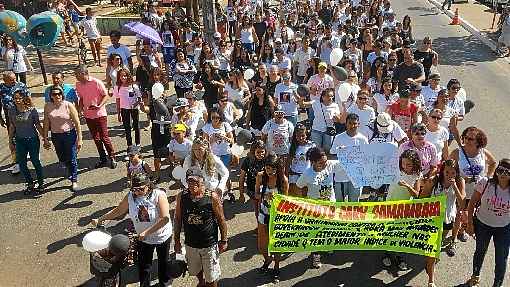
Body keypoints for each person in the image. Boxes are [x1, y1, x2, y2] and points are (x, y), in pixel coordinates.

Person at [91, 173, 172, 287]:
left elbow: (165, 218)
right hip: (143, 239)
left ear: (148, 185)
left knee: (163, 262)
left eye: (141, 189)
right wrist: (101, 219)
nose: (137, 192)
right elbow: (118, 210)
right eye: (134, 189)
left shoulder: (158, 195)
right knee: (144, 265)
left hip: (161, 237)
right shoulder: (130, 196)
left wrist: (146, 232)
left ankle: (164, 283)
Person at [174, 169, 228, 287]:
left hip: (209, 245)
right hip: (190, 244)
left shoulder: (212, 197)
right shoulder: (181, 196)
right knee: (195, 270)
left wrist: (224, 240)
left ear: (202, 181)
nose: (192, 185)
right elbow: (177, 219)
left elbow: (221, 219)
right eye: (189, 181)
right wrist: (177, 241)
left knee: (211, 277)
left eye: (195, 181)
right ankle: (201, 282)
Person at [460, 159, 510, 287]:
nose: (503, 174)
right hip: (483, 225)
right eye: (500, 170)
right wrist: (470, 223)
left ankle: (497, 284)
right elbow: (471, 203)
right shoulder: (485, 183)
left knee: (501, 258)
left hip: (504, 229)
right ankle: (475, 276)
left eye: (507, 172)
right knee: (480, 251)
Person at [420, 159, 465, 286]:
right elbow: (422, 197)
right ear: (442, 171)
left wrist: (454, 186)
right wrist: (427, 185)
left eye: (453, 173)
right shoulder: (435, 180)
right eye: (447, 172)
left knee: (438, 244)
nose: (449, 175)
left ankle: (431, 261)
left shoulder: (460, 182)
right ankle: (431, 281)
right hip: (433, 219)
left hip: (448, 218)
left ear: (457, 173)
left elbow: (462, 204)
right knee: (433, 250)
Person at [449, 127, 497, 243]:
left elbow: (493, 163)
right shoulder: (457, 153)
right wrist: (459, 178)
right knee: (459, 213)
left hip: (477, 190)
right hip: (461, 189)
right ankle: (453, 239)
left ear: (478, 140)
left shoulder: (482, 152)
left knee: (471, 212)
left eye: (470, 138)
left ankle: (462, 231)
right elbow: (448, 169)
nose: (466, 140)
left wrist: (487, 177)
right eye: (465, 137)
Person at [295, 147, 339, 268]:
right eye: (321, 163)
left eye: (325, 162)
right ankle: (316, 256)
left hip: (330, 205)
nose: (324, 165)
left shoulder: (329, 165)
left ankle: (327, 246)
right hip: (315, 209)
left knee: (329, 228)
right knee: (315, 232)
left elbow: (346, 163)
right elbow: (298, 186)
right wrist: (302, 203)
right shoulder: (307, 173)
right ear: (313, 162)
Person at [383, 149, 422, 270]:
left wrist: (407, 185)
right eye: (403, 163)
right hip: (390, 204)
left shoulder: (417, 175)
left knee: (400, 232)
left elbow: (416, 194)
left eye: (409, 164)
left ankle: (399, 256)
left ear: (415, 164)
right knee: (389, 230)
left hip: (404, 208)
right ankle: (388, 254)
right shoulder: (397, 170)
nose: (405, 167)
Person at [75, 65, 117, 169]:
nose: (76, 77)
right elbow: (81, 98)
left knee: (104, 137)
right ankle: (103, 159)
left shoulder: (96, 82)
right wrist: (80, 110)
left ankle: (112, 157)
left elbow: (106, 95)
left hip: (100, 114)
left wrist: (99, 105)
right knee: (96, 138)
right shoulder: (78, 85)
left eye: (77, 74)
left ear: (83, 73)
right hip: (88, 115)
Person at [255, 153, 288, 283]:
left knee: (276, 243)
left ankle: (276, 267)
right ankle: (268, 260)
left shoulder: (283, 180)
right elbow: (256, 194)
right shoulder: (260, 176)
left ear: (278, 168)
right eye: (267, 168)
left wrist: (276, 200)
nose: (270, 172)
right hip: (263, 214)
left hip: (277, 216)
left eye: (273, 169)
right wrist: (264, 196)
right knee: (261, 246)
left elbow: (286, 202)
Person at [42, 86, 83, 191]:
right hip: (56, 136)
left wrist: (80, 139)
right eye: (54, 94)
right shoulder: (47, 106)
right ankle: (68, 167)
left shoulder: (68, 105)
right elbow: (46, 122)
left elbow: (77, 123)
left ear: (62, 95)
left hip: (69, 135)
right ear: (51, 96)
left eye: (59, 94)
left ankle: (74, 180)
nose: (57, 96)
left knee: (72, 157)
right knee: (62, 157)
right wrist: (45, 137)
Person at [7, 88, 45, 195]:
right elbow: (12, 126)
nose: (17, 100)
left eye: (19, 98)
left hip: (32, 139)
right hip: (20, 140)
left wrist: (45, 138)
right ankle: (30, 184)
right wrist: (10, 141)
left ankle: (41, 183)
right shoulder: (11, 110)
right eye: (15, 98)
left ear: (24, 98)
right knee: (22, 164)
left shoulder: (32, 110)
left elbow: (37, 125)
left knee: (35, 161)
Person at [330, 113, 369, 202]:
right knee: (340, 203)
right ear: (346, 124)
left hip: (356, 178)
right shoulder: (338, 138)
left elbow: (367, 157)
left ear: (358, 124)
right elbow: (332, 154)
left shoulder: (363, 139)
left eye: (355, 123)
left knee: (354, 203)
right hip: (341, 177)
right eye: (350, 123)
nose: (352, 126)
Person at [0, 71, 29, 174]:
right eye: (11, 80)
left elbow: (28, 99)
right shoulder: (1, 88)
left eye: (14, 78)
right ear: (5, 80)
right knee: (13, 138)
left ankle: (28, 151)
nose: (14, 81)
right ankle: (17, 162)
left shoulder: (21, 85)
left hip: (23, 114)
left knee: (26, 134)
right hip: (10, 117)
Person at [300, 88, 343, 153]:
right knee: (316, 150)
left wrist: (336, 118)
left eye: (332, 96)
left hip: (329, 131)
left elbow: (338, 119)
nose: (330, 98)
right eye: (328, 96)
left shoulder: (335, 105)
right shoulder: (316, 103)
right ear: (323, 97)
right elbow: (302, 105)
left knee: (327, 149)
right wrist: (302, 97)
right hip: (316, 130)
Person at [114, 68, 142, 153]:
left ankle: (138, 144)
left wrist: (135, 104)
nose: (123, 78)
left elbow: (140, 98)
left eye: (125, 75)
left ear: (128, 76)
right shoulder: (117, 87)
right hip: (124, 110)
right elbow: (117, 100)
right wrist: (118, 114)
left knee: (136, 125)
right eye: (121, 76)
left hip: (134, 109)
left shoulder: (134, 86)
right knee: (127, 128)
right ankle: (130, 145)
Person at [239, 140, 267, 225]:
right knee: (257, 209)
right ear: (253, 151)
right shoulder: (247, 161)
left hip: (266, 190)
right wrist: (241, 193)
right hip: (252, 189)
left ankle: (264, 226)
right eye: (258, 152)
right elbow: (242, 177)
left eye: (262, 152)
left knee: (265, 210)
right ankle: (259, 227)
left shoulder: (267, 160)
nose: (260, 154)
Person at [287, 123, 315, 197]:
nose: (301, 138)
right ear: (295, 136)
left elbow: (313, 162)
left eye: (303, 136)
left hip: (306, 174)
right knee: (295, 195)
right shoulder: (291, 146)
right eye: (298, 136)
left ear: (306, 135)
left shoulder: (311, 145)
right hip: (294, 174)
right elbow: (288, 161)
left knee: (305, 194)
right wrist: (286, 174)